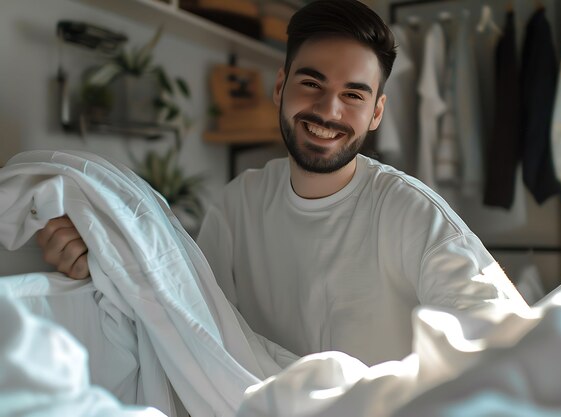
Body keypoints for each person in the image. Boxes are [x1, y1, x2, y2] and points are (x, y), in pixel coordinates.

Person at [37, 0, 526, 366]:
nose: (328, 111)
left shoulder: (411, 213)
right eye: (311, 83)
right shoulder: (238, 203)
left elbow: (498, 330)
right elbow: (185, 314)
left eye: (353, 95)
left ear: (377, 113)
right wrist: (96, 263)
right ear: (280, 87)